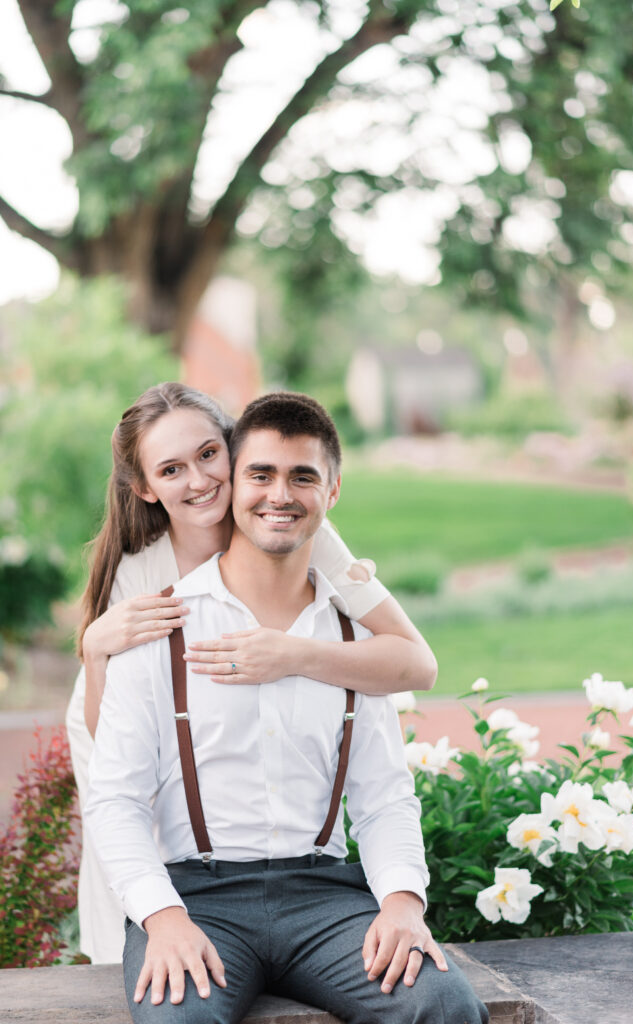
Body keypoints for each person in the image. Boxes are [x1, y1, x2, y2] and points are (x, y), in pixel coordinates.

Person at [85, 392, 488, 1024]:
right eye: (262, 474)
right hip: (197, 896)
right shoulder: (155, 623)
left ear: (331, 496)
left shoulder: (354, 640)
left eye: (302, 477)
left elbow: (384, 795)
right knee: (177, 1019)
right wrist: (162, 920)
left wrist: (404, 903)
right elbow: (115, 799)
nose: (280, 494)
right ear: (238, 482)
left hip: (324, 899)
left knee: (441, 1007)